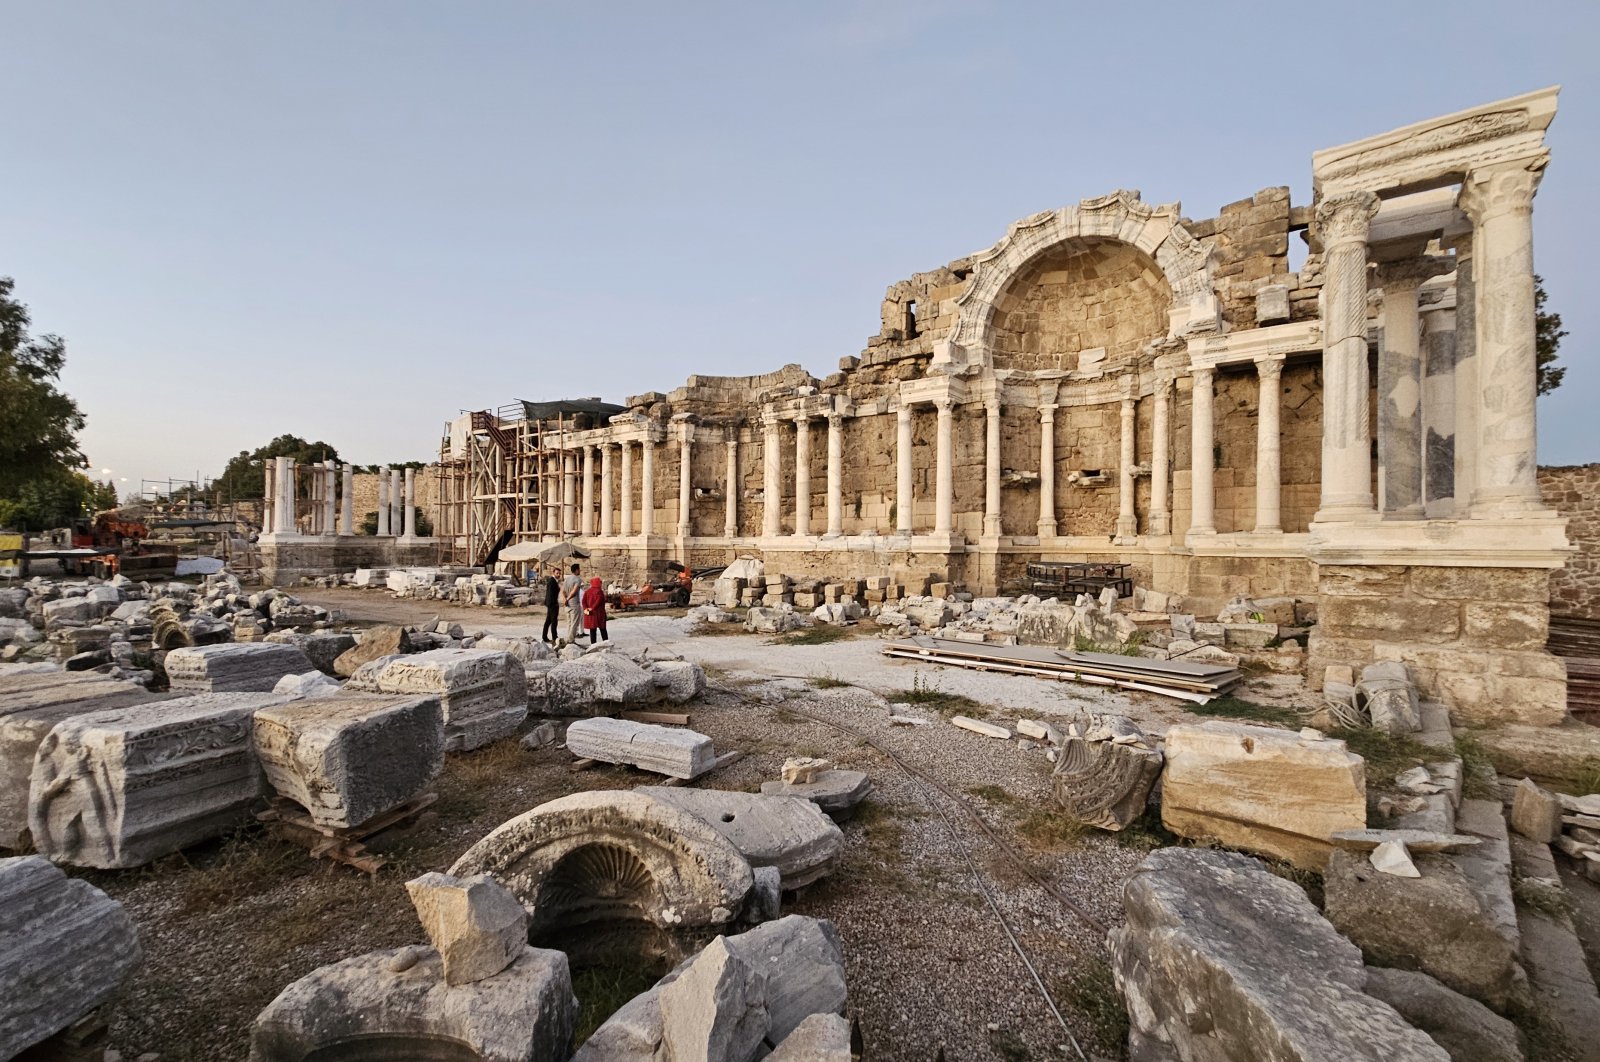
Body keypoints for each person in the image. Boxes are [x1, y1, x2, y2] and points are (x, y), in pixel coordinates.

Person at [581, 576, 609, 644]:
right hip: (599, 613)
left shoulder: (587, 591)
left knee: (592, 629)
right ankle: (606, 642)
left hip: (591, 613)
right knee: (602, 629)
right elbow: (599, 601)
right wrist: (592, 608)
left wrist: (586, 608)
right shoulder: (600, 591)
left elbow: (583, 601)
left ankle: (593, 644)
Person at [562, 562, 583, 643]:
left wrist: (565, 599)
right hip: (573, 603)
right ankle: (571, 640)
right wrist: (568, 598)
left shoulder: (567, 579)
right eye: (579, 569)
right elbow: (574, 591)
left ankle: (568, 638)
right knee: (574, 623)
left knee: (569, 623)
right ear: (577, 570)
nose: (580, 571)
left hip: (567, 604)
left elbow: (563, 591)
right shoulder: (578, 579)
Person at [541, 564, 561, 644]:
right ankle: (554, 637)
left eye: (559, 573)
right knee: (554, 621)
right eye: (557, 573)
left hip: (551, 603)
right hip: (552, 604)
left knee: (548, 621)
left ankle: (545, 637)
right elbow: (550, 594)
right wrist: (554, 603)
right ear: (553, 573)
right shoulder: (552, 581)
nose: (558, 575)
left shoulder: (553, 581)